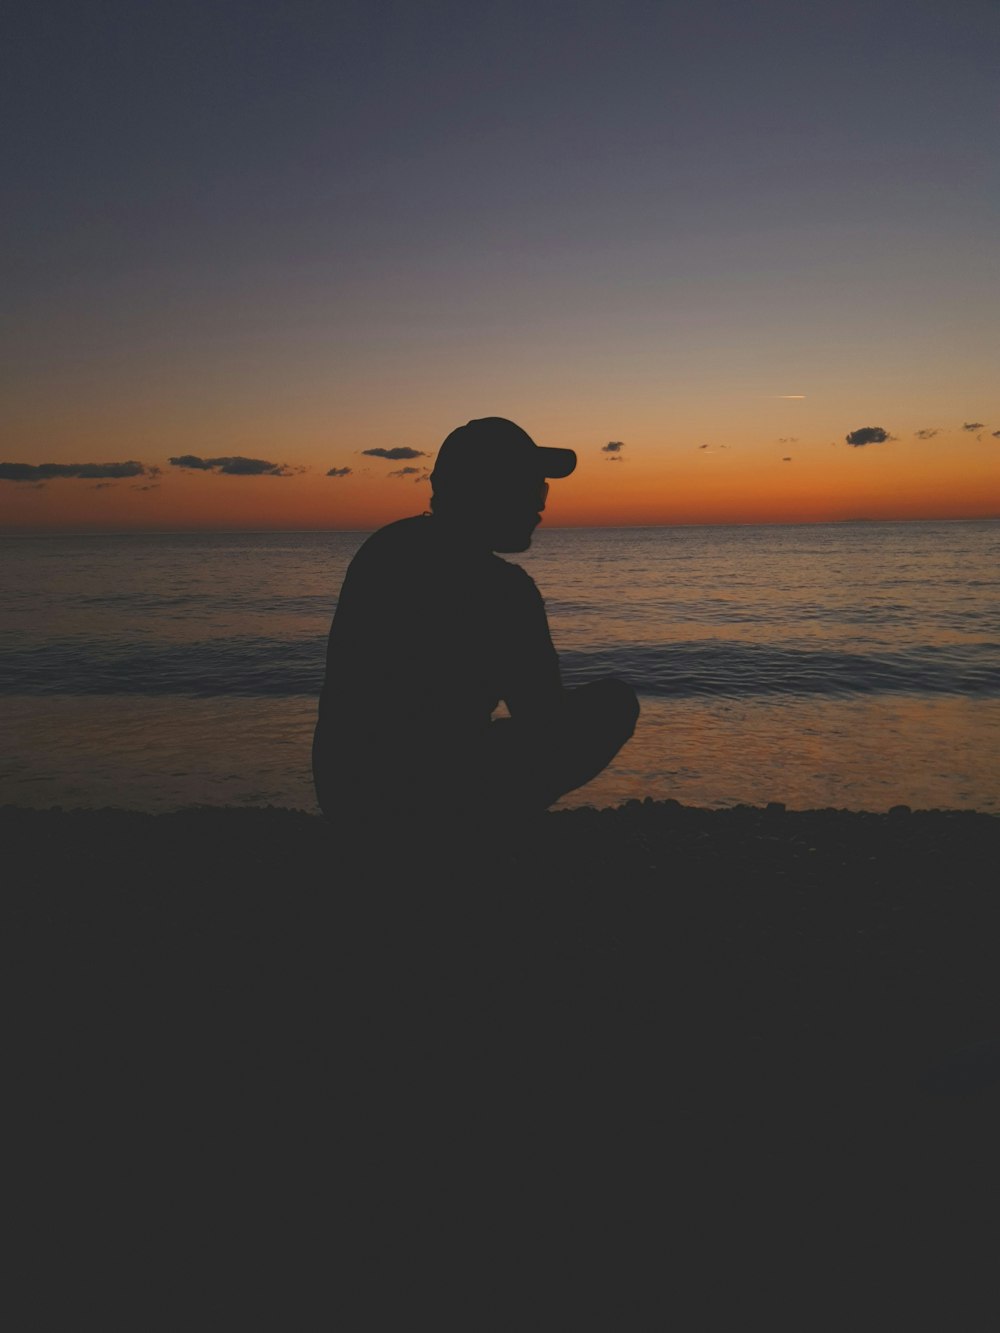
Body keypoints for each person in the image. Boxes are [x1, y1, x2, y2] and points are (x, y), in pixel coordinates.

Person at [312, 417, 639, 833]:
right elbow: (543, 718)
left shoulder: (385, 549)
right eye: (530, 487)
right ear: (490, 491)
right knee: (614, 703)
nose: (541, 504)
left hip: (346, 793)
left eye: (543, 489)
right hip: (433, 802)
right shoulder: (501, 590)